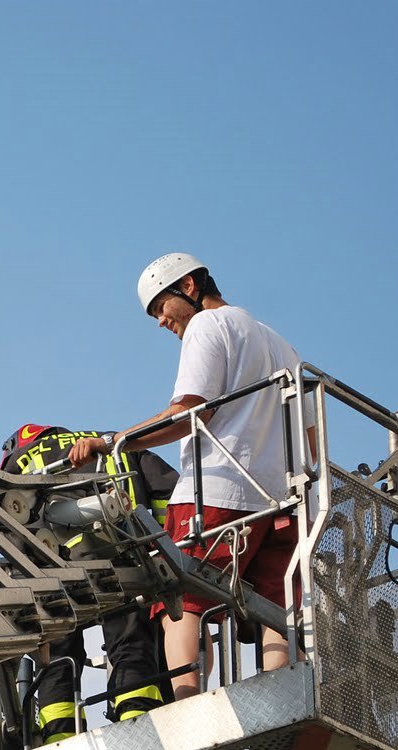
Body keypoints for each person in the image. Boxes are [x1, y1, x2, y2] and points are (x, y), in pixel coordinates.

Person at [68, 253, 315, 700]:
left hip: (216, 489)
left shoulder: (207, 326)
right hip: (283, 499)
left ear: (187, 285)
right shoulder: (281, 345)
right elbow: (310, 439)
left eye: (162, 306)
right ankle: (279, 694)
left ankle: (187, 703)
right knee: (275, 607)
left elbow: (189, 414)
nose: (162, 321)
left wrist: (114, 441)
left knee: (182, 600)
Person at [1, 423, 177, 742]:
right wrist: (166, 547)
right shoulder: (113, 442)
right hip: (123, 555)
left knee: (57, 654)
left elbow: (8, 524)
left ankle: (60, 737)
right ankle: (136, 714)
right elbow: (170, 494)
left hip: (52, 572)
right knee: (130, 636)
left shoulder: (21, 462)